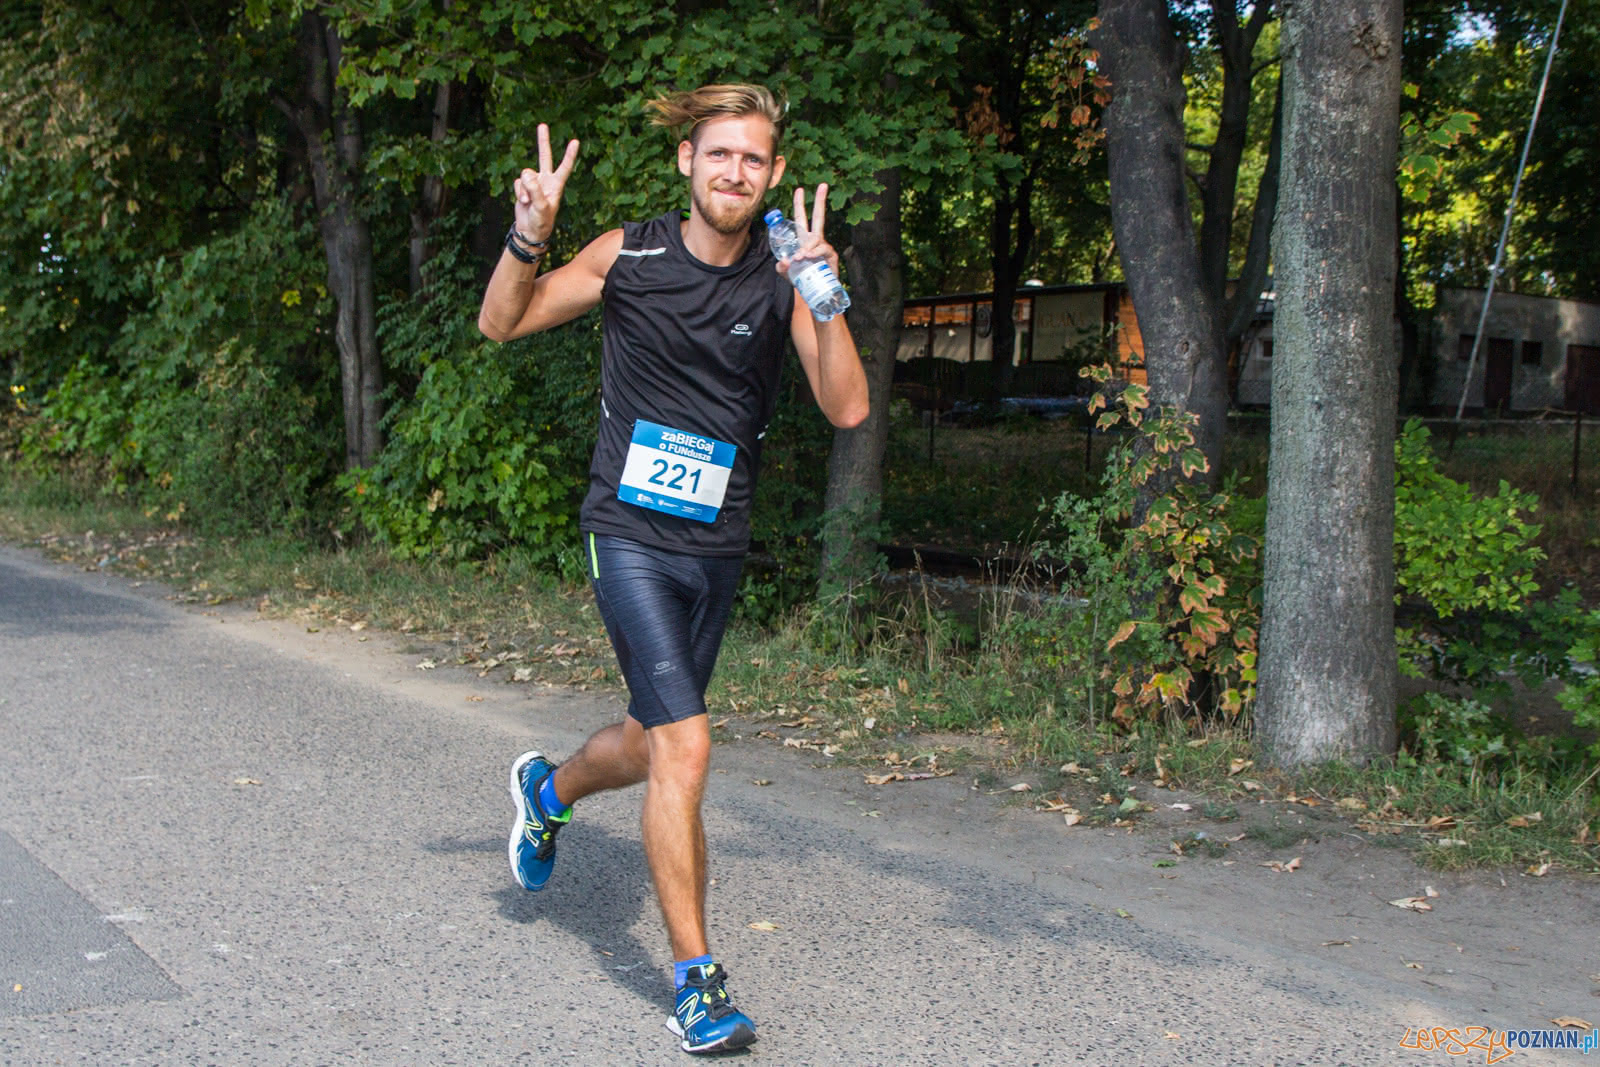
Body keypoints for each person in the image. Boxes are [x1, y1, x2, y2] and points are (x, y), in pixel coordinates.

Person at [477, 84, 868, 1055]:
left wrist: (822, 289)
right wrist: (529, 234)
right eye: (719, 153)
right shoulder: (628, 255)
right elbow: (500, 323)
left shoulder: (784, 276)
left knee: (655, 742)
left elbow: (847, 406)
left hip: (716, 544)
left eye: (754, 159)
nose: (735, 170)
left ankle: (549, 791)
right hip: (628, 531)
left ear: (772, 176)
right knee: (687, 744)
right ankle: (698, 984)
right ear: (687, 161)